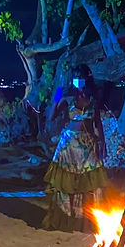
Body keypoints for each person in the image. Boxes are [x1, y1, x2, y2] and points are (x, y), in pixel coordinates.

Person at [41, 69, 109, 232]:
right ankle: (66, 217)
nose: (79, 80)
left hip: (87, 144)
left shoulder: (93, 101)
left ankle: (86, 218)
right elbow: (51, 116)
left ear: (87, 79)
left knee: (90, 182)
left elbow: (97, 123)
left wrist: (103, 142)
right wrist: (56, 97)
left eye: (82, 77)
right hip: (69, 145)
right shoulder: (67, 98)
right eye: (77, 77)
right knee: (66, 182)